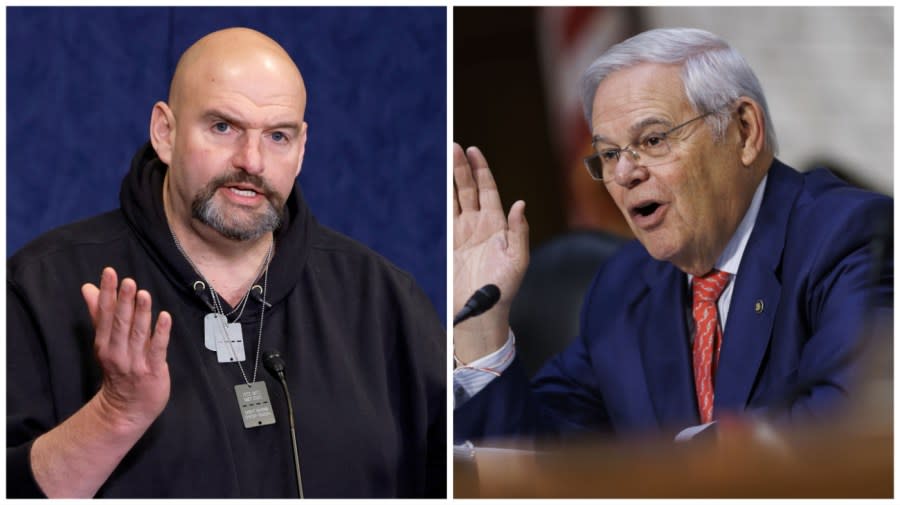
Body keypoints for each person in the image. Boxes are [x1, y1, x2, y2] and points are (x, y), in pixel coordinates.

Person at [7, 27, 445, 498]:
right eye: (223, 127)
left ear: (301, 150)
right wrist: (115, 414)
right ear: (164, 132)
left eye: (278, 136)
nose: (251, 161)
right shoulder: (43, 285)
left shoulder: (382, 298)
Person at [453, 28, 892, 443]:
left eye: (653, 139)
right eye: (608, 154)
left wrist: (660, 474)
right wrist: (481, 331)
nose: (624, 173)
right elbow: (540, 457)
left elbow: (849, 428)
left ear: (744, 131)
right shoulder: (622, 288)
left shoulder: (851, 237)